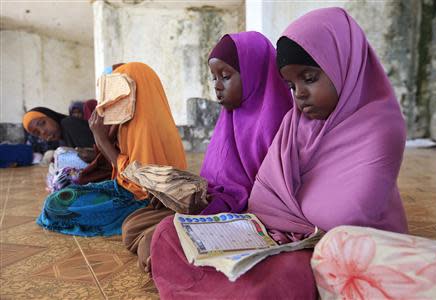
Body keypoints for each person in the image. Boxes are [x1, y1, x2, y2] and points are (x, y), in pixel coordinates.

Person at [150, 7, 408, 299]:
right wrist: (276, 221)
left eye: (309, 78)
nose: (298, 94)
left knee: (287, 276)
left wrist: (282, 215)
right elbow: (263, 197)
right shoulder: (295, 121)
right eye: (290, 84)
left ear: (344, 65)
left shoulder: (379, 125)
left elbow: (343, 216)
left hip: (342, 248)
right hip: (281, 238)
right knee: (167, 233)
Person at [121, 31, 293, 272]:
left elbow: (268, 200)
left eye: (225, 76)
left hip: (247, 216)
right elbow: (216, 180)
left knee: (158, 237)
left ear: (254, 74)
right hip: (216, 206)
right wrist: (178, 196)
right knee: (134, 224)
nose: (217, 87)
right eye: (213, 78)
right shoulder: (230, 118)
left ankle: (167, 250)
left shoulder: (278, 122)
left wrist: (210, 206)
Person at [36, 62, 187, 237]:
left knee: (56, 205)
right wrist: (103, 138)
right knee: (64, 195)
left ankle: (131, 218)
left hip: (140, 199)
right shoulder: (134, 122)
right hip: (127, 187)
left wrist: (101, 139)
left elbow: (141, 184)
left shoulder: (146, 127)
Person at [23, 107, 94, 148]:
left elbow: (97, 154)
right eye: (37, 133)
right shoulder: (61, 140)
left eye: (42, 123)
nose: (43, 132)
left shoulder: (69, 123)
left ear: (51, 116)